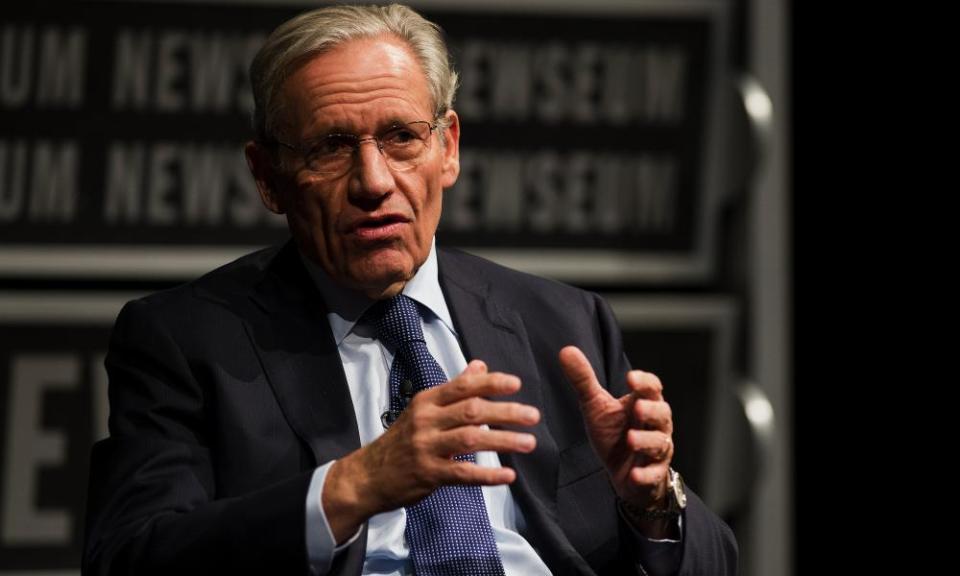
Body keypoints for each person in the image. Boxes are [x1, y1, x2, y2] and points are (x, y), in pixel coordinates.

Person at [82, 5, 737, 576]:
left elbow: (715, 562)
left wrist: (650, 503)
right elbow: (130, 556)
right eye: (332, 146)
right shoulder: (186, 341)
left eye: (401, 138)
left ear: (447, 148)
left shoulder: (562, 320)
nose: (373, 181)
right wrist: (355, 484)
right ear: (269, 177)